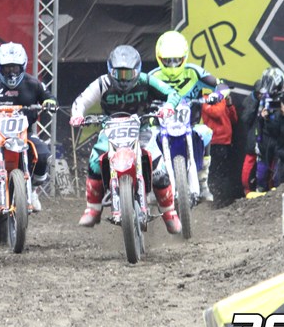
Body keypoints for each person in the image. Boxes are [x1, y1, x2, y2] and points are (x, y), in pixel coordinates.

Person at [69, 45, 183, 234]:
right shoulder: (103, 83)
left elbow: (172, 93)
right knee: (95, 161)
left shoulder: (146, 80)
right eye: (119, 73)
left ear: (137, 70)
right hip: (110, 129)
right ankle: (93, 209)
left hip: (141, 129)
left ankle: (170, 213)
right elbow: (82, 101)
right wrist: (77, 115)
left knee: (159, 169)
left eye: (128, 74)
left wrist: (169, 106)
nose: (123, 79)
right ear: (110, 70)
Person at [0, 42, 58, 212]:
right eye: (7, 68)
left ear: (22, 66)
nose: (11, 72)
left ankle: (32, 190)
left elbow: (48, 96)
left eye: (15, 68)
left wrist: (49, 102)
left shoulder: (33, 83)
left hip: (23, 132)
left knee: (44, 154)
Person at [149, 31, 230, 202]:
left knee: (206, 132)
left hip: (189, 125)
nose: (172, 65)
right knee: (146, 144)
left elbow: (221, 85)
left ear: (184, 57)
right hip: (159, 126)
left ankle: (203, 182)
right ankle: (148, 186)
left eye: (176, 60)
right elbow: (139, 93)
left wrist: (217, 95)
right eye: (168, 61)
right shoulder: (153, 76)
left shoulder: (194, 72)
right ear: (159, 58)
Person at [251, 67, 284, 193]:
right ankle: (260, 191)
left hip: (280, 140)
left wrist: (283, 112)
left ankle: (277, 195)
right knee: (261, 173)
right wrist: (258, 140)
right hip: (265, 140)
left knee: (277, 176)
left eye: (270, 81)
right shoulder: (264, 99)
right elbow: (258, 122)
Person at [201, 88, 238, 205]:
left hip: (226, 142)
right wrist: (221, 99)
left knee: (224, 172)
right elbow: (216, 113)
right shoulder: (205, 99)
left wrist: (230, 105)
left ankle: (224, 199)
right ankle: (214, 200)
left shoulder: (221, 102)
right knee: (214, 172)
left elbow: (233, 119)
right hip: (213, 143)